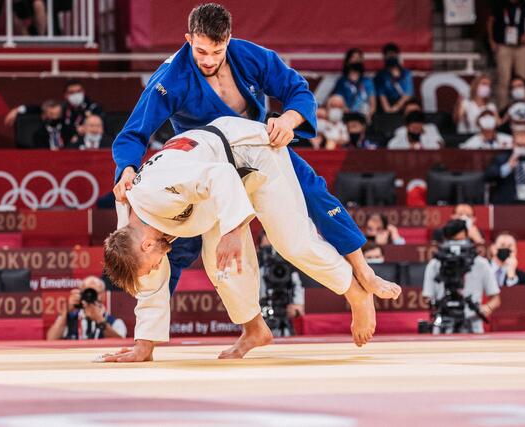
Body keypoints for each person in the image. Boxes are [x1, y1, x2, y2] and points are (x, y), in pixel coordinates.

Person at [110, 3, 391, 323]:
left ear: (228, 39)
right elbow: (133, 134)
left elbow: (299, 92)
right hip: (204, 167)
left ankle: (363, 273)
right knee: (176, 248)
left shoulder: (252, 56)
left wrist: (287, 119)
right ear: (188, 38)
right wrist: (128, 168)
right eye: (200, 50)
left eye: (216, 51)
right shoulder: (170, 79)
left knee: (313, 193)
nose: (208, 60)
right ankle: (150, 335)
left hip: (260, 149)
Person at [102, 117, 400, 362]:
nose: (155, 269)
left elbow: (221, 176)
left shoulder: (159, 190)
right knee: (220, 264)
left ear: (146, 244)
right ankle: (255, 329)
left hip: (250, 151)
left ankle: (355, 291)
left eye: (150, 265)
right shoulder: (127, 222)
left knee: (291, 242)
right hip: (210, 183)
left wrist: (232, 231)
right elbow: (150, 283)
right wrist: (144, 344)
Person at [423, 219, 501, 333]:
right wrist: (435, 305)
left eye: (460, 241)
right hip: (443, 327)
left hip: (472, 325)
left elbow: (496, 299)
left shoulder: (481, 264)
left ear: (467, 238)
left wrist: (485, 309)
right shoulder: (434, 264)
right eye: (452, 241)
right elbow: (427, 296)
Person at [5, 79, 103, 140]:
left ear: (83, 92)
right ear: (65, 95)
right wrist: (17, 110)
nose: (76, 95)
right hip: (66, 146)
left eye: (78, 91)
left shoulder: (93, 108)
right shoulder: (62, 108)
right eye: (72, 92)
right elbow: (39, 108)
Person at [46, 276, 127, 340]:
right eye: (87, 292)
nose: (90, 296)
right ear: (81, 294)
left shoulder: (115, 322)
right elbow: (51, 339)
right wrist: (65, 312)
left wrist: (99, 320)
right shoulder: (69, 319)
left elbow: (119, 343)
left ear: (103, 296)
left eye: (94, 293)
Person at [488, 0, 525, 108]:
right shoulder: (499, 4)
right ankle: (503, 109)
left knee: (523, 78)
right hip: (504, 46)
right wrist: (492, 41)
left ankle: (524, 108)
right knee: (504, 79)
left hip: (521, 46)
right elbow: (490, 21)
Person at [484, 131, 525, 204]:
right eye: (519, 145)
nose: (523, 148)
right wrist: (508, 167)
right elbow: (487, 177)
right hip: (506, 203)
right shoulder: (502, 159)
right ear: (513, 144)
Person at [330, 48, 376, 120]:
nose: (356, 60)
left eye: (358, 58)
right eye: (353, 57)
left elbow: (372, 104)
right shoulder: (342, 81)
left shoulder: (367, 81)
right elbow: (338, 99)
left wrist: (369, 115)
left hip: (363, 115)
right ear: (347, 61)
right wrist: (348, 113)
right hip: (346, 115)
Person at [374, 43, 414, 113]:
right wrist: (388, 110)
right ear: (384, 57)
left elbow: (407, 94)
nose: (391, 57)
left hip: (403, 104)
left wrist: (396, 107)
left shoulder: (406, 73)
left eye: (393, 54)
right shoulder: (380, 75)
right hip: (386, 106)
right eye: (388, 55)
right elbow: (381, 95)